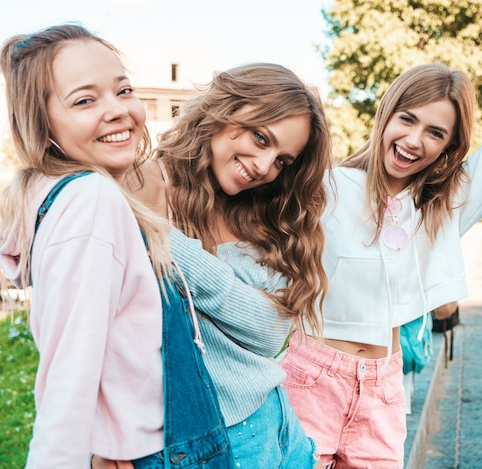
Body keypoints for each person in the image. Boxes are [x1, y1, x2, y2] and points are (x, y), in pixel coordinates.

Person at [279, 0, 482, 467]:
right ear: (387, 114)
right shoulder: (327, 186)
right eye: (407, 119)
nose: (414, 140)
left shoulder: (442, 208)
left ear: (448, 147)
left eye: (435, 132)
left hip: (383, 389)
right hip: (309, 380)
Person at [0, 24, 233, 468]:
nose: (118, 110)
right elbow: (69, 372)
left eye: (123, 90)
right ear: (41, 125)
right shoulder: (90, 200)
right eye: (84, 100)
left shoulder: (59, 197)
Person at [126, 63, 333, 468]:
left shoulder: (263, 214)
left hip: (281, 428)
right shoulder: (145, 184)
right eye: (261, 138)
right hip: (209, 441)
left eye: (282, 161)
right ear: (225, 108)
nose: (264, 166)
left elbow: (269, 332)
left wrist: (167, 242)